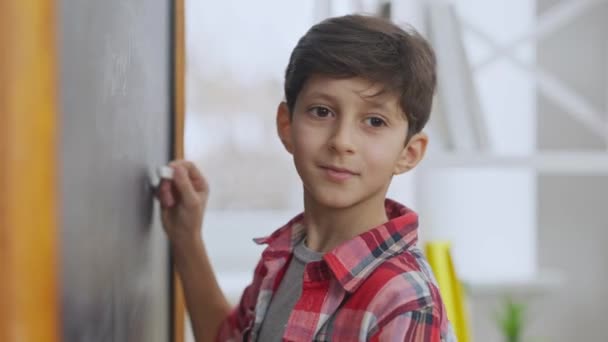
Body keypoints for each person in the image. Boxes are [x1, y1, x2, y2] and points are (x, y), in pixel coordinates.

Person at [156, 14, 456, 342]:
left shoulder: (404, 300)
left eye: (374, 121)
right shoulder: (282, 259)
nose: (342, 141)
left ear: (409, 153)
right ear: (286, 126)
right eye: (322, 112)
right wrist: (186, 238)